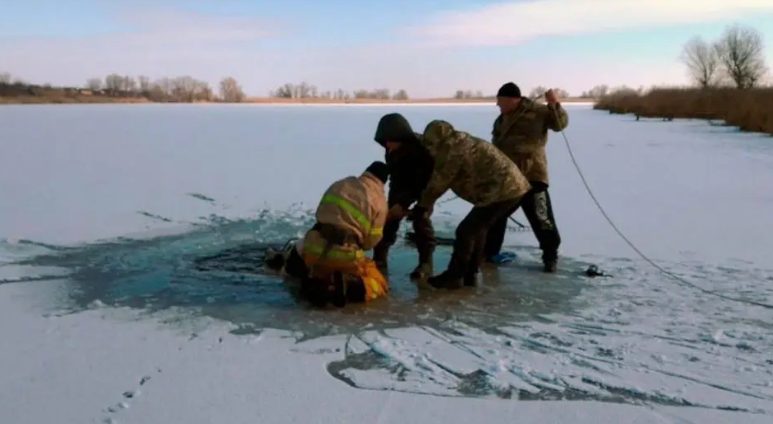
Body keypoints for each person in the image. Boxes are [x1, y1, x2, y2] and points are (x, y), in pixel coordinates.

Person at [410, 120, 531, 289]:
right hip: (509, 188)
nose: (430, 148)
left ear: (439, 140)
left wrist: (422, 206)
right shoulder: (455, 140)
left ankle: (455, 276)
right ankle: (471, 272)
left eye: (432, 144)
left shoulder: (452, 150)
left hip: (502, 191)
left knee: (466, 231)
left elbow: (439, 182)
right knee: (477, 230)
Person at [265, 162, 390, 307]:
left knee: (300, 248)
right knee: (378, 282)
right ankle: (346, 287)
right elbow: (370, 242)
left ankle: (303, 273)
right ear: (383, 182)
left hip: (313, 247)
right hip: (345, 256)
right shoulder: (380, 202)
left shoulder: (340, 185)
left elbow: (320, 214)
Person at [484, 82, 569, 273]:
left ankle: (550, 257)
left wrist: (554, 104)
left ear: (514, 99)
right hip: (507, 179)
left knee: (542, 218)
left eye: (501, 102)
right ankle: (489, 253)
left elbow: (559, 124)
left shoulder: (538, 112)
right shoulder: (501, 120)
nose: (498, 106)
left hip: (533, 177)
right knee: (495, 216)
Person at [372, 113, 437, 280]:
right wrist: (394, 203)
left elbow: (423, 181)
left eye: (389, 140)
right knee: (389, 219)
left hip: (427, 186)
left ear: (400, 136)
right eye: (384, 142)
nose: (386, 145)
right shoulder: (391, 149)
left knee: (421, 219)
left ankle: (426, 263)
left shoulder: (423, 149)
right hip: (402, 185)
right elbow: (395, 176)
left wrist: (404, 203)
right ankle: (379, 257)